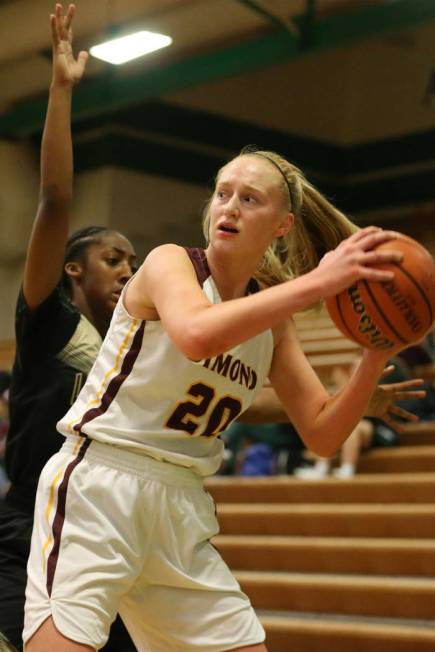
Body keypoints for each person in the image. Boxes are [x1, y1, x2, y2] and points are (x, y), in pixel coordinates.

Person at [23, 9, 432, 652]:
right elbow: (196, 335)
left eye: (249, 198)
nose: (228, 206)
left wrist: (375, 355)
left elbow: (323, 432)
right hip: (100, 483)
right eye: (221, 192)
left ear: (281, 226)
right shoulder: (167, 265)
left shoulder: (272, 321)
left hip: (181, 502)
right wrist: (323, 282)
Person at [0, 4, 137, 651]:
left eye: (134, 263)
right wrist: (61, 88)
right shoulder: (49, 322)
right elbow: (55, 199)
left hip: (101, 544)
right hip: (27, 534)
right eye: (114, 259)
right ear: (74, 269)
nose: (128, 271)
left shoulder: (135, 350)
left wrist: (327, 406)